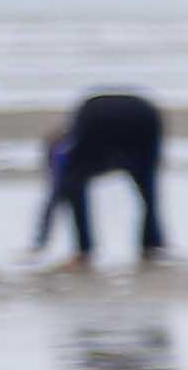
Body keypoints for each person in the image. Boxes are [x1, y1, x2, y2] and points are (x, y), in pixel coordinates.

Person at [34, 90, 169, 268]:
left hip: (99, 119)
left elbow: (57, 192)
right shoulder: (80, 125)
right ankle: (151, 246)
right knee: (147, 188)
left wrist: (40, 242)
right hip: (144, 117)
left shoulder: (61, 150)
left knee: (72, 185)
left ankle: (84, 251)